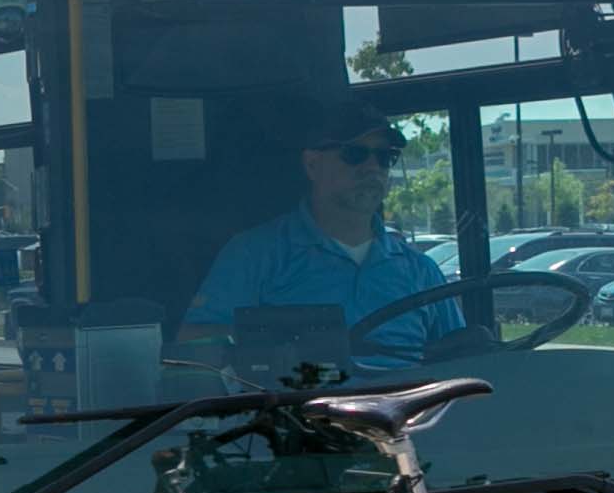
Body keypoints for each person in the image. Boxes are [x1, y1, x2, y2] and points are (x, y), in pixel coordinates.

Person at [184, 92, 458, 370]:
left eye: (385, 157)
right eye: (355, 154)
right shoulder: (254, 255)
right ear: (312, 164)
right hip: (298, 410)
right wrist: (267, 349)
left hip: (412, 411)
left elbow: (464, 359)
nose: (372, 167)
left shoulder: (422, 272)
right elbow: (190, 344)